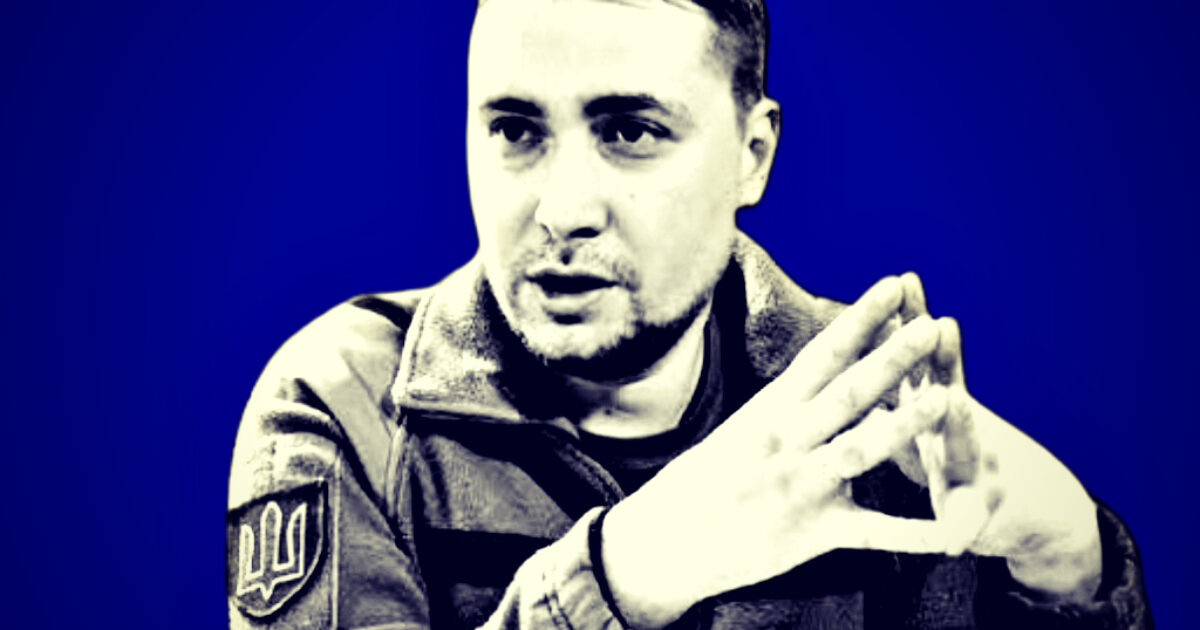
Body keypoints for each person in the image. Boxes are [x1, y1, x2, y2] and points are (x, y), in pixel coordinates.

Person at [226, 0, 1151, 627]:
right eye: (515, 130)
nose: (562, 208)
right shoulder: (344, 406)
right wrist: (628, 570)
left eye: (630, 131)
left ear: (753, 156)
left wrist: (1071, 566)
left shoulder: (875, 418)